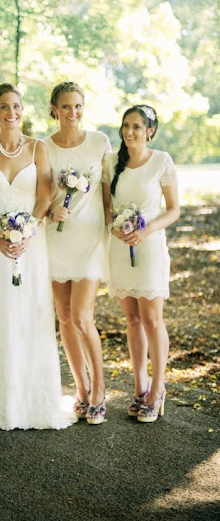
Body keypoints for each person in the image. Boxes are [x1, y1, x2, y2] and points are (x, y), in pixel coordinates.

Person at [0, 83, 72, 430]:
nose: (11, 112)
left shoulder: (38, 148)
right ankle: (0, 403)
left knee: (32, 312)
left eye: (16, 105)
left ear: (22, 109)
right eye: (3, 106)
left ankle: (36, 403)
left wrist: (27, 230)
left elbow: (44, 196)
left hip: (32, 243)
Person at [102, 104, 180, 423]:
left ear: (150, 131)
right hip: (119, 247)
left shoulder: (161, 161)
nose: (129, 132)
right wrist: (115, 228)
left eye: (137, 126)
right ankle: (139, 386)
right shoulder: (110, 162)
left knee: (152, 319)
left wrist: (147, 228)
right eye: (126, 125)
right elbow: (106, 208)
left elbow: (173, 209)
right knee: (131, 320)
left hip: (149, 248)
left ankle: (158, 389)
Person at [45, 81, 111, 424]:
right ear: (54, 109)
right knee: (65, 318)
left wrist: (113, 228)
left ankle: (100, 390)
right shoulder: (44, 147)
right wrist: (48, 213)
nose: (72, 113)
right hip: (56, 240)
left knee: (84, 317)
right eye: (66, 107)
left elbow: (107, 191)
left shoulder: (99, 141)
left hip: (89, 241)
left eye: (78, 106)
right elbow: (41, 195)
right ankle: (82, 390)